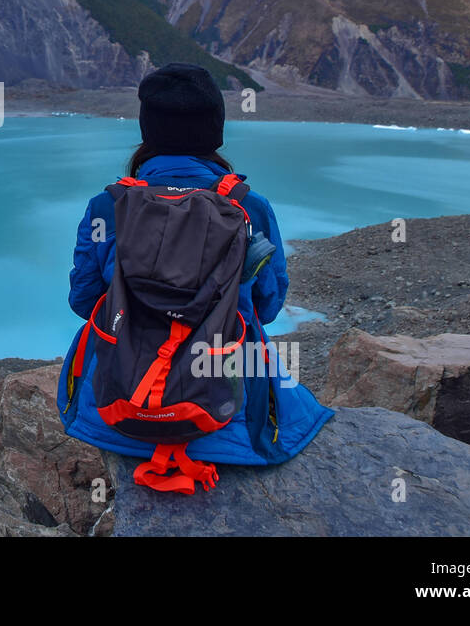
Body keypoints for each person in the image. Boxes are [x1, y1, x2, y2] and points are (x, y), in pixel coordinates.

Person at [59, 63, 332, 470]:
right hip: (227, 415)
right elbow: (268, 307)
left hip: (116, 413)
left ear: (147, 129)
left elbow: (84, 301)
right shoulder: (248, 207)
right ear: (213, 131)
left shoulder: (109, 206)